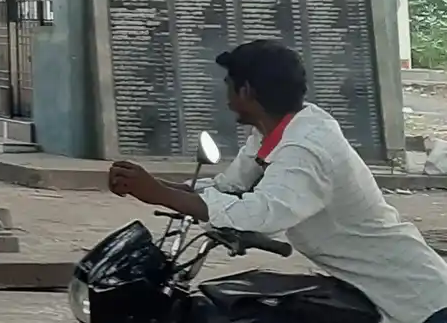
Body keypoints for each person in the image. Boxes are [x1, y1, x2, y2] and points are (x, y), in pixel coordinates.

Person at [107, 40, 447, 323]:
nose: (225, 96)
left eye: (228, 85)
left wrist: (158, 194)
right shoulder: (273, 133)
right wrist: (152, 185)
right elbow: (228, 189)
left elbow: (263, 212)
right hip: (362, 288)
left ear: (247, 90)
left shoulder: (307, 146)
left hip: (414, 299)